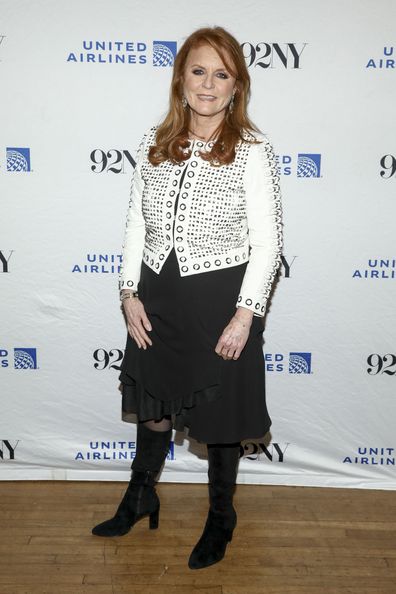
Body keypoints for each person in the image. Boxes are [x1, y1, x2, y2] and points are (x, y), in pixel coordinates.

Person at [92, 26, 283, 570]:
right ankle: (139, 495)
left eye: (221, 74)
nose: (208, 84)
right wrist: (128, 293)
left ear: (236, 87)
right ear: (181, 79)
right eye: (199, 71)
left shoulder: (253, 151)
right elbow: (135, 225)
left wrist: (245, 317)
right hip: (158, 296)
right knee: (152, 403)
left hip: (221, 302)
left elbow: (268, 246)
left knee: (220, 417)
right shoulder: (155, 144)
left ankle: (221, 517)